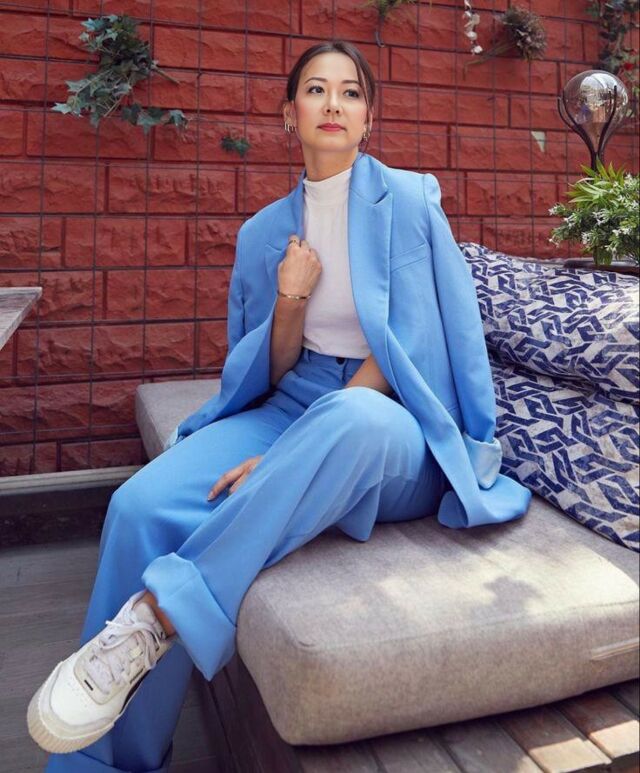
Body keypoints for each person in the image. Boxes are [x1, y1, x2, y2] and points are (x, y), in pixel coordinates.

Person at [27, 39, 531, 773]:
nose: (333, 104)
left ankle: (161, 613)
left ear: (368, 119)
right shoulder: (262, 233)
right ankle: (106, 762)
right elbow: (264, 368)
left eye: (351, 92)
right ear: (287, 112)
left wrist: (280, 463)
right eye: (316, 90)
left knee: (350, 420)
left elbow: (414, 346)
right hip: (293, 400)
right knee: (139, 505)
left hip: (389, 418)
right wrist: (291, 298)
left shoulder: (409, 201)